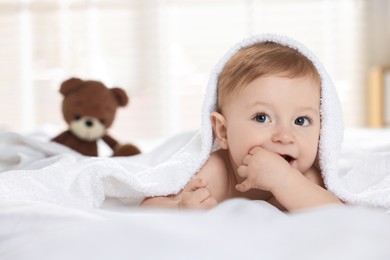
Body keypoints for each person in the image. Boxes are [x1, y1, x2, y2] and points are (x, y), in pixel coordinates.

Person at [140, 40, 342, 212]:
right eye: (262, 117)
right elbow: (147, 206)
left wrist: (284, 180)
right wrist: (180, 208)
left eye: (301, 120)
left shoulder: (305, 177)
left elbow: (338, 214)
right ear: (223, 131)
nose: (284, 136)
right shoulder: (220, 171)